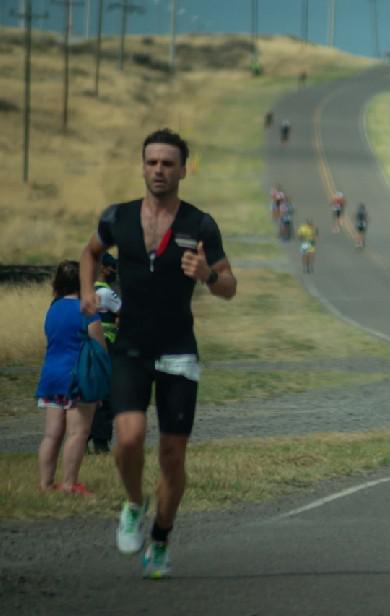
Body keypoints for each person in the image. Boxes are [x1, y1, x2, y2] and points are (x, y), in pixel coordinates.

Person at [79, 128, 237, 579]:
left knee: (172, 455)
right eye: (152, 163)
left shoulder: (199, 224)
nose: (159, 170)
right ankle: (134, 503)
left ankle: (162, 538)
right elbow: (90, 254)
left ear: (183, 170)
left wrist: (207, 274)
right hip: (130, 346)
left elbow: (230, 286)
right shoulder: (118, 217)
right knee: (127, 438)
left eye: (169, 163)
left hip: (178, 350)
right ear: (143, 166)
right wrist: (88, 290)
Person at [35, 260, 106, 493]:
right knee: (77, 432)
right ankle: (69, 483)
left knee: (51, 434)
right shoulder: (86, 311)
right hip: (77, 378)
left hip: (51, 376)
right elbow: (99, 348)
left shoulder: (52, 309)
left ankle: (45, 484)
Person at [87, 252, 121, 454]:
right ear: (104, 268)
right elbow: (126, 312)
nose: (114, 271)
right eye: (111, 267)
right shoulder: (107, 293)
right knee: (107, 396)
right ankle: (101, 441)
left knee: (89, 394)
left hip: (87, 349)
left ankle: (84, 437)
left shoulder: (86, 291)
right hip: (108, 346)